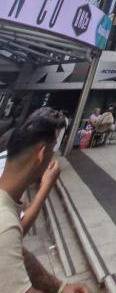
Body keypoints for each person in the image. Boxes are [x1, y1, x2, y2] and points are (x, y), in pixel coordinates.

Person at [0, 106, 88, 292]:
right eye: (52, 150)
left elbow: (20, 254)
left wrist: (60, 287)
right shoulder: (4, 223)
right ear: (41, 153)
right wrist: (46, 186)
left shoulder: (7, 212)